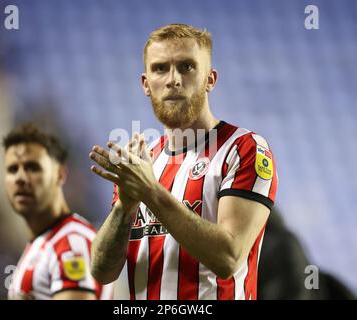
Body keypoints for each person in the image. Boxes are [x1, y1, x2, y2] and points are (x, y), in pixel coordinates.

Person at [89, 24, 278, 300]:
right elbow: (102, 271)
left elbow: (229, 257)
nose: (173, 79)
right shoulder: (142, 162)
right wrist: (124, 206)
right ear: (145, 84)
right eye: (160, 68)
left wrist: (150, 193)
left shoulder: (244, 148)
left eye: (187, 67)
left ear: (210, 79)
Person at [3, 123, 112, 300]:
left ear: (60, 174)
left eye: (32, 167)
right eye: (12, 169)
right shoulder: (45, 242)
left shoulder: (72, 241)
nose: (20, 178)